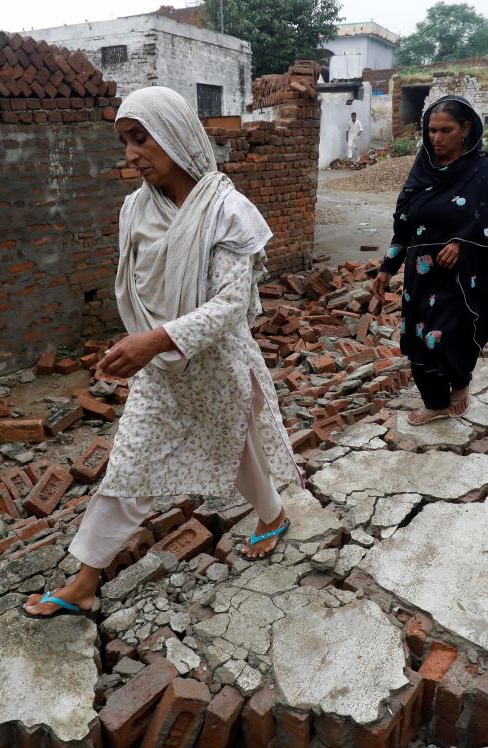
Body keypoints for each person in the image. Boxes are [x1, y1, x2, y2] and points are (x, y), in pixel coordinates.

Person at [22, 86, 302, 619]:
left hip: (216, 360)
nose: (130, 154)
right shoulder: (135, 209)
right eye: (125, 141)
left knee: (236, 444)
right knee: (130, 463)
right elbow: (135, 286)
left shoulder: (226, 210)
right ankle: (84, 582)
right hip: (160, 367)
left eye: (140, 138)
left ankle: (271, 514)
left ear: (174, 133)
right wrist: (143, 341)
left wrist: (158, 338)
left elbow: (228, 304)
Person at [371, 96, 488, 425]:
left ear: (465, 129)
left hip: (462, 278)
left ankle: (459, 381)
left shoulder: (483, 172)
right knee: (416, 340)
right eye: (431, 131)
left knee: (441, 338)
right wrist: (387, 269)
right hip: (420, 275)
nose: (436, 138)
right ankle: (435, 402)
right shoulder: (423, 169)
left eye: (445, 130)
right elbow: (405, 224)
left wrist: (464, 243)